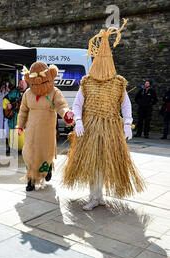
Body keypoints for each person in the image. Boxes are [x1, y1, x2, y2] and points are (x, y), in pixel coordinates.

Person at [63, 19, 145, 210]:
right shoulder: (87, 82)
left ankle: (100, 196)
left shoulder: (118, 83)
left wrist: (127, 124)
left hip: (110, 127)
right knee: (92, 162)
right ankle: (94, 196)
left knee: (104, 162)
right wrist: (78, 120)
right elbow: (77, 105)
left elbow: (126, 105)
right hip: (90, 127)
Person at [16, 62, 73, 191]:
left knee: (45, 153)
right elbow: (23, 111)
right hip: (31, 130)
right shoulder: (28, 93)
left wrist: (66, 113)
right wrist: (19, 125)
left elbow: (61, 105)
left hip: (47, 130)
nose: (38, 80)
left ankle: (46, 169)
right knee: (29, 154)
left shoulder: (54, 92)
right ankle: (30, 180)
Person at [2, 79, 27, 154]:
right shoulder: (14, 92)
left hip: (25, 116)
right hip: (14, 116)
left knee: (24, 132)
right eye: (20, 83)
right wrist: (7, 105)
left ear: (26, 83)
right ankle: (12, 147)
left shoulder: (29, 92)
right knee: (13, 131)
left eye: (22, 82)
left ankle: (24, 148)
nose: (21, 84)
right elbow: (5, 99)